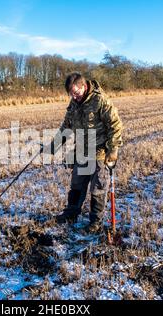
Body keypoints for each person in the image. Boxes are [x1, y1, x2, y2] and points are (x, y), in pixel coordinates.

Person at [49, 73, 123, 233]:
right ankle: (71, 213)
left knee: (97, 189)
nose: (74, 97)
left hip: (99, 152)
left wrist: (113, 149)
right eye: (71, 94)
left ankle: (95, 223)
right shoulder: (75, 103)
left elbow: (115, 125)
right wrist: (54, 144)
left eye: (76, 93)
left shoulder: (100, 100)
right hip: (82, 150)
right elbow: (67, 125)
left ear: (84, 86)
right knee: (76, 185)